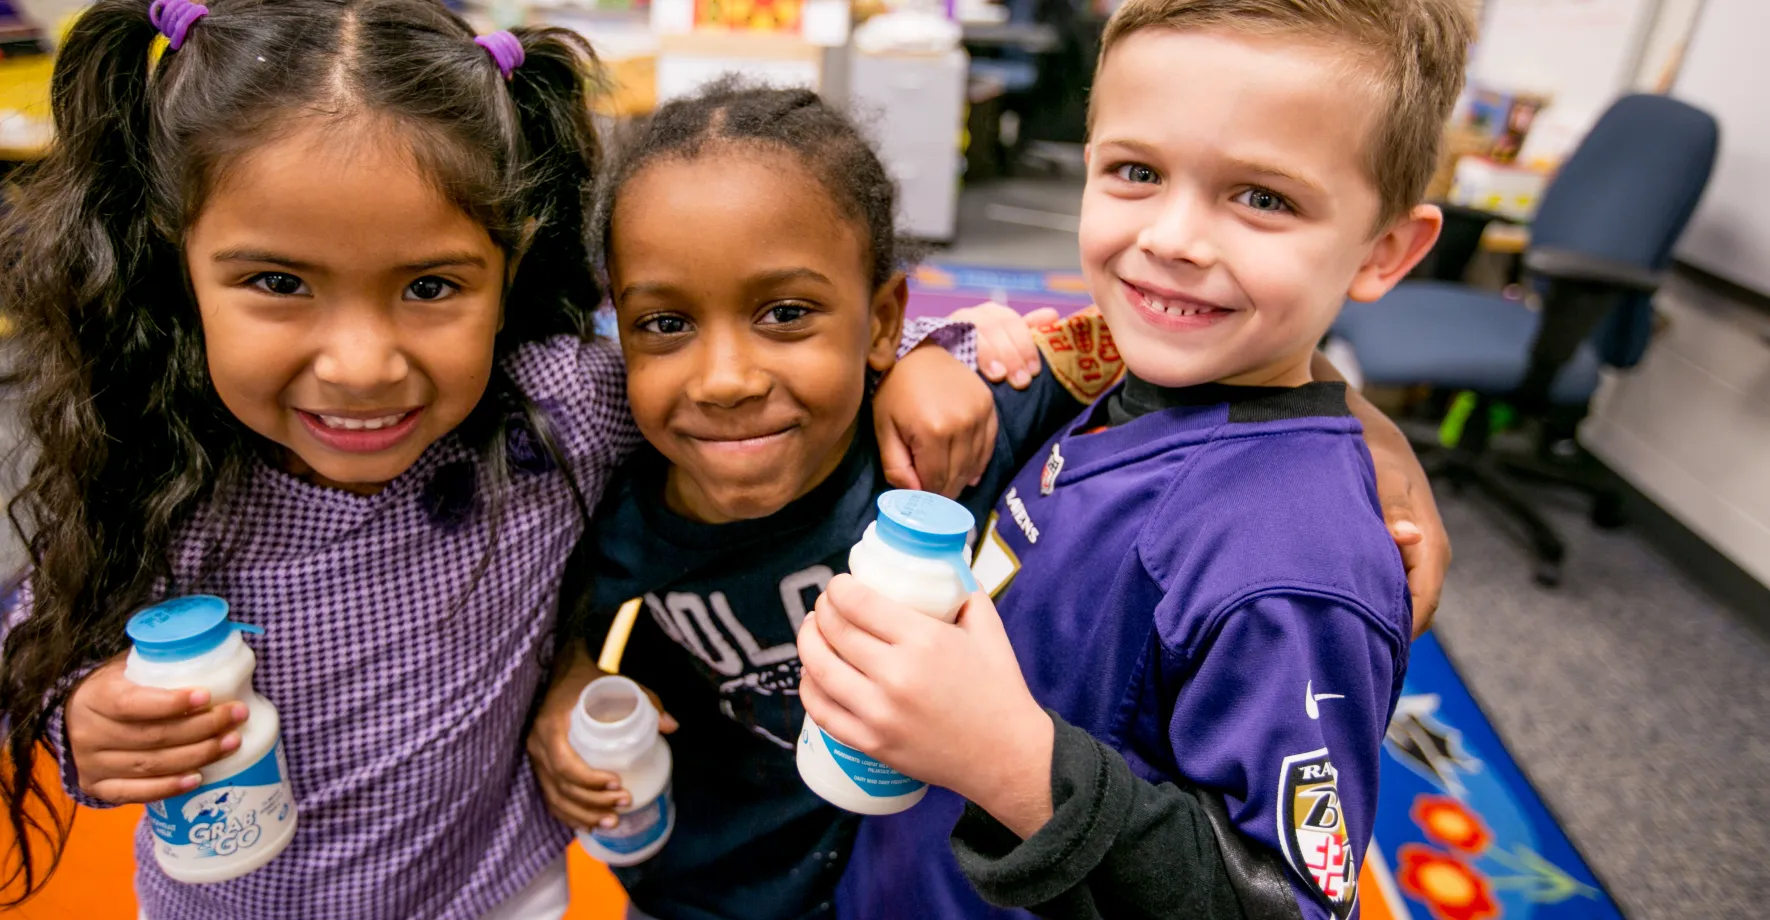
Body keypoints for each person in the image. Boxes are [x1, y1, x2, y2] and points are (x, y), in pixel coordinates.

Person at [0, 4, 981, 917]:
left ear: (508, 266)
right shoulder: (160, 463)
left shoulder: (552, 415)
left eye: (429, 285)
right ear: (178, 268)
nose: (362, 365)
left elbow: (743, 379)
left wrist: (929, 364)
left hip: (503, 892)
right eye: (278, 282)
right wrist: (81, 716)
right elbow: (40, 633)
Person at [527, 79, 1449, 920]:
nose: (725, 378)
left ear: (883, 320)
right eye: (665, 323)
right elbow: (556, 622)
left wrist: (1365, 424)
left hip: (917, 874)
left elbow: (1180, 336)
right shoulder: (610, 494)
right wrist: (572, 681)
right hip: (711, 891)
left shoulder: (946, 437)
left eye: (786, 314)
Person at [798, 0, 1477, 917]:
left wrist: (1014, 765)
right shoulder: (1124, 361)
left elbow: (1290, 904)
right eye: (1136, 171)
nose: (1171, 239)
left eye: (1263, 197)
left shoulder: (1297, 573)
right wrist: (938, 355)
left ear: (1386, 250)